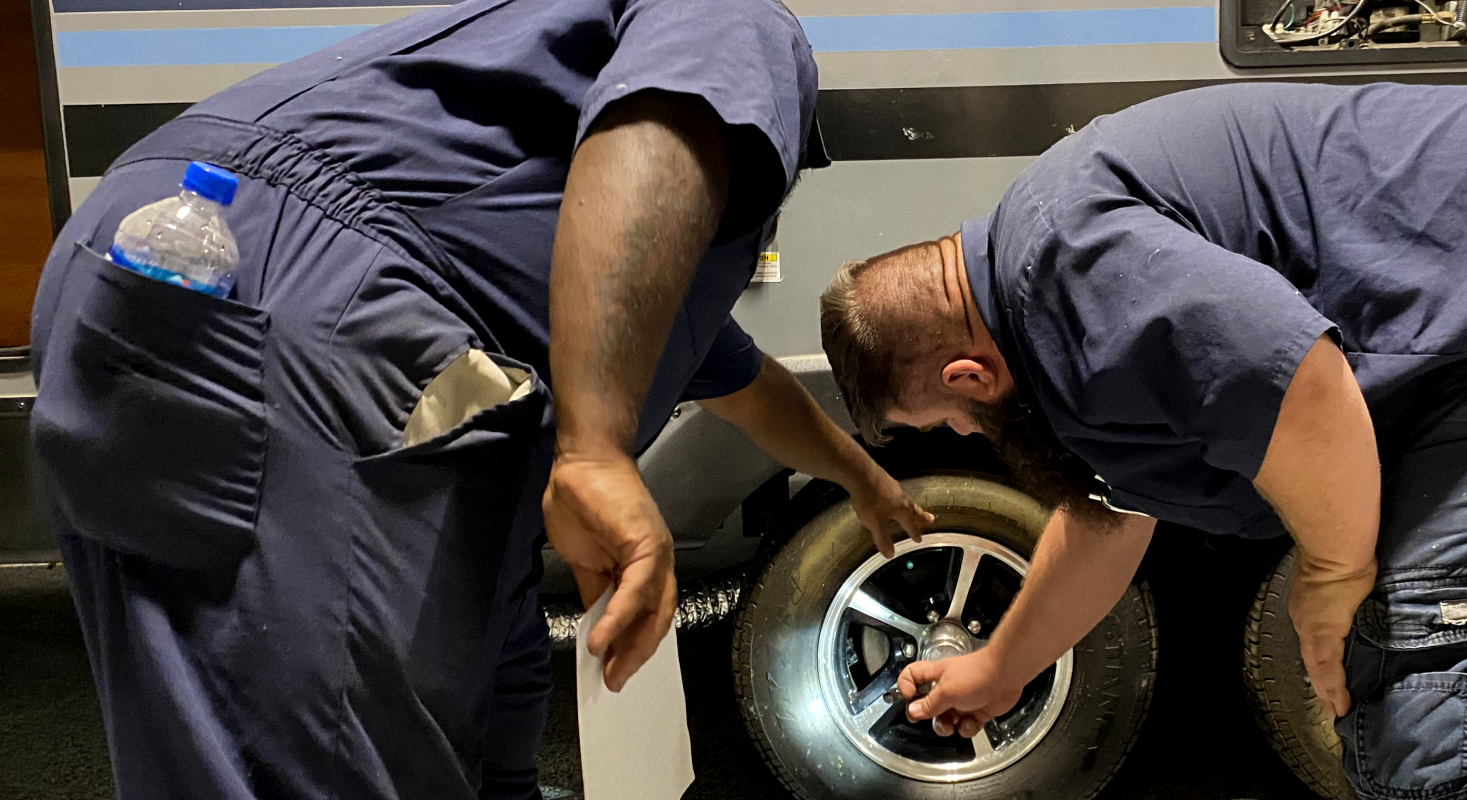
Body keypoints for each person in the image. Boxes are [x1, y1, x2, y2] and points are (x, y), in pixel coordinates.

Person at [30, 0, 932, 797]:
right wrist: (595, 447)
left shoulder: (605, 288)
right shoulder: (744, 24)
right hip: (294, 285)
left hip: (139, 269)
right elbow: (665, 117)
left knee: (211, 735)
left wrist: (864, 481)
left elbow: (745, 383)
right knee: (321, 758)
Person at [818, 83, 1467, 799]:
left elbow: (1300, 376)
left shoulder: (1069, 266)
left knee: (1437, 681)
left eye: (942, 421)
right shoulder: (1043, 304)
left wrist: (1333, 570)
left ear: (963, 374)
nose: (962, 434)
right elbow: (1110, 509)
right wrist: (1001, 664)